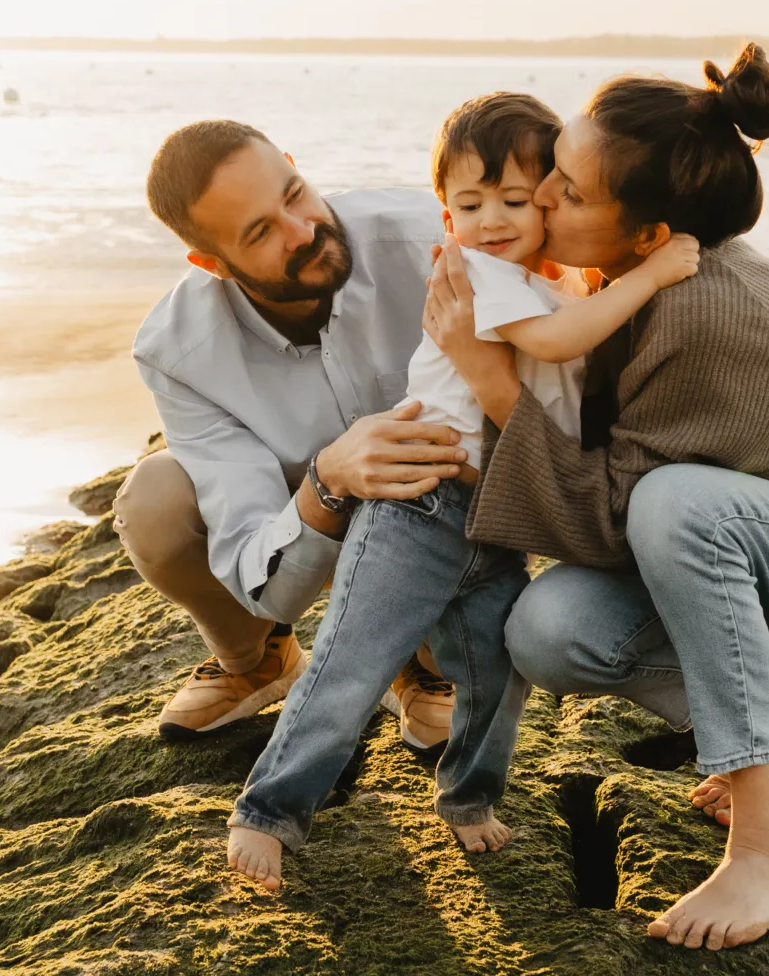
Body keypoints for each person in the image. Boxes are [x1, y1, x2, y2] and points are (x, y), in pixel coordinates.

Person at [422, 45, 769, 953]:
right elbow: (604, 518)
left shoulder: (712, 315)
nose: (540, 197)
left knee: (679, 503)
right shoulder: (628, 286)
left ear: (648, 235)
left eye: (567, 187)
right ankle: (751, 697)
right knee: (549, 630)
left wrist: (489, 377)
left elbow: (618, 517)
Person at [226, 91, 699, 889]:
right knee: (353, 661)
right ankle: (267, 812)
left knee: (495, 675)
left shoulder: (546, 287)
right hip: (421, 508)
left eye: (515, 200)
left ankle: (469, 799)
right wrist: (652, 272)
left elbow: (569, 354)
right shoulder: (480, 276)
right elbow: (557, 342)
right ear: (446, 217)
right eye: (468, 204)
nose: (492, 220)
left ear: (553, 197)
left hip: (496, 523)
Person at [117, 119, 472, 752]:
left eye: (293, 193)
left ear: (291, 161)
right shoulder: (176, 350)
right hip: (303, 504)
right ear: (211, 263)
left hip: (438, 500)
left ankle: (418, 661)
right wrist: (329, 478)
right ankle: (257, 661)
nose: (303, 231)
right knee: (154, 501)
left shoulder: (432, 237)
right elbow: (263, 572)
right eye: (260, 232)